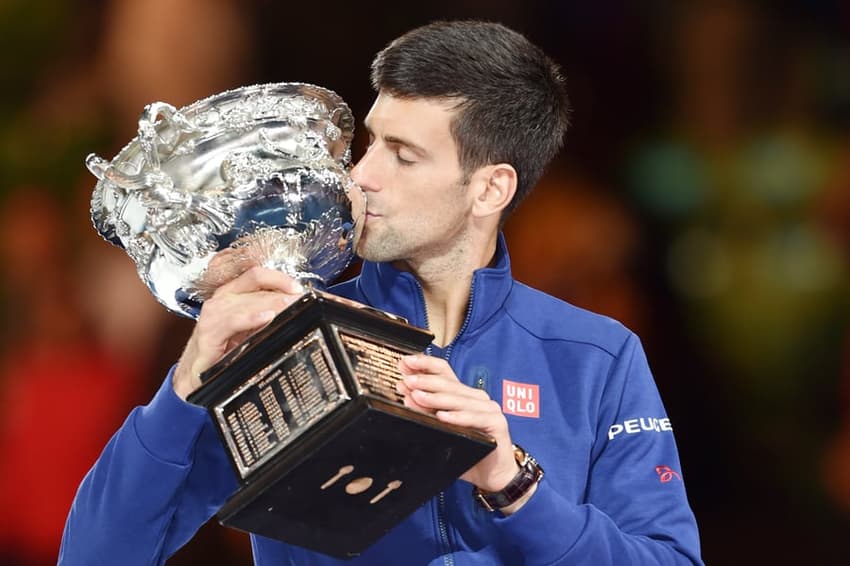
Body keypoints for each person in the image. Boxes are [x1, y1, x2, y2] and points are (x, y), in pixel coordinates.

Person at [60, 20, 703, 565]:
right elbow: (95, 553)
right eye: (370, 141)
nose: (361, 175)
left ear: (490, 189)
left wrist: (512, 485)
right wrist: (184, 391)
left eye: (404, 154)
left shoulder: (595, 355)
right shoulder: (284, 336)